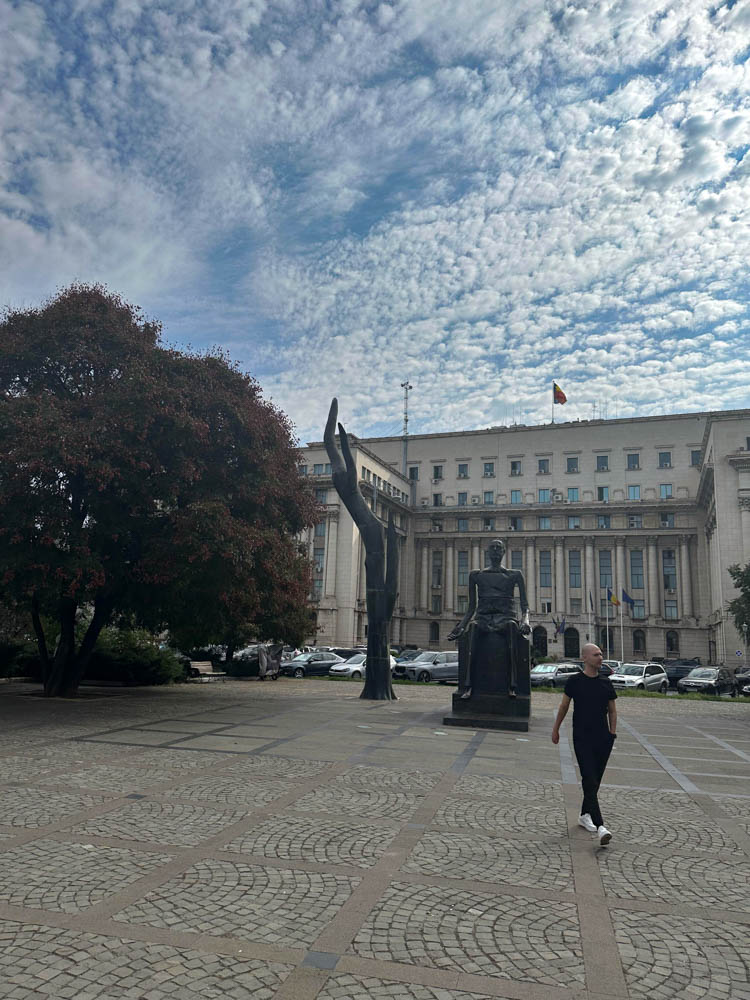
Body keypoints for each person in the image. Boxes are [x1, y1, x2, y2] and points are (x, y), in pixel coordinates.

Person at [551, 642, 617, 846]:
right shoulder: (575, 682)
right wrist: (555, 729)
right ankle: (600, 826)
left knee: (594, 781)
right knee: (588, 778)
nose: (601, 657)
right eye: (596, 654)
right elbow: (563, 706)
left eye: (601, 654)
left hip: (603, 738)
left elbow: (612, 710)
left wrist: (612, 734)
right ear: (585, 658)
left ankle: (584, 815)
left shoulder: (606, 682)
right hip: (581, 738)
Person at [447, 538, 531, 699]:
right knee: (472, 630)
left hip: (506, 618)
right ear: (487, 552)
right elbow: (471, 607)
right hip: (483, 618)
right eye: (492, 547)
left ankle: (512, 685)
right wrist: (461, 626)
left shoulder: (515, 575)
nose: (495, 550)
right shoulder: (476, 575)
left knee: (512, 630)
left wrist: (525, 621)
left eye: (498, 548)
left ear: (504, 552)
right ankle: (469, 686)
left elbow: (525, 606)